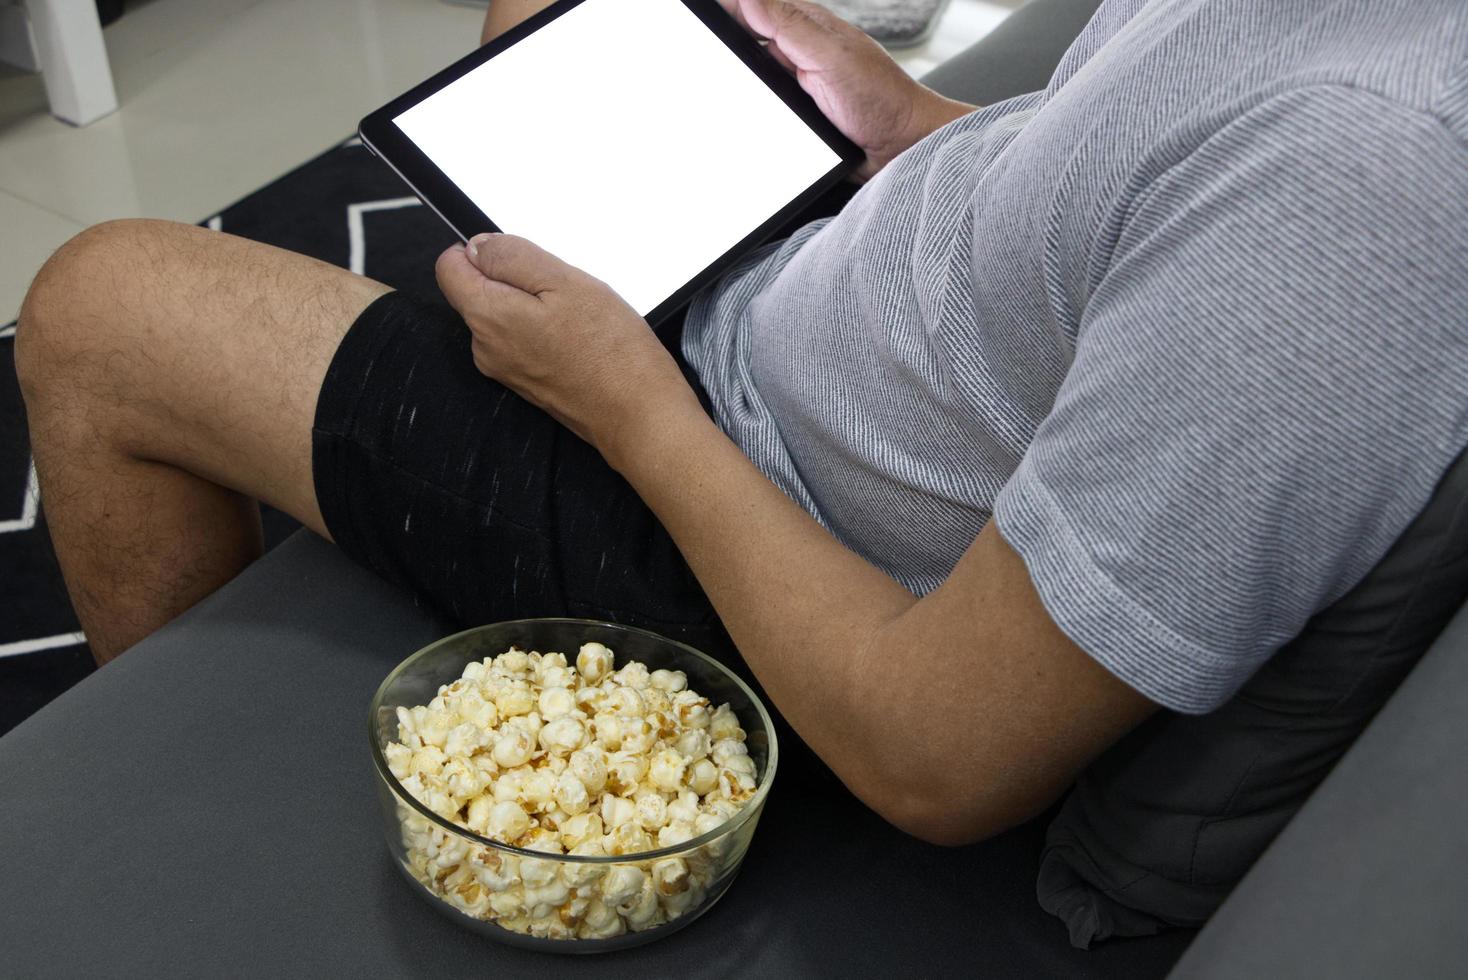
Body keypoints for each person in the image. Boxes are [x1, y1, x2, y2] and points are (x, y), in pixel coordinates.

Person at [14, 0, 1468, 849]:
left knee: (100, 314)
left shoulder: (1358, 184)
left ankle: (162, 824)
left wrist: (623, 402)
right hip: (814, 332)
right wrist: (915, 126)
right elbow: (1127, 211)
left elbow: (937, 756)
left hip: (772, 558)